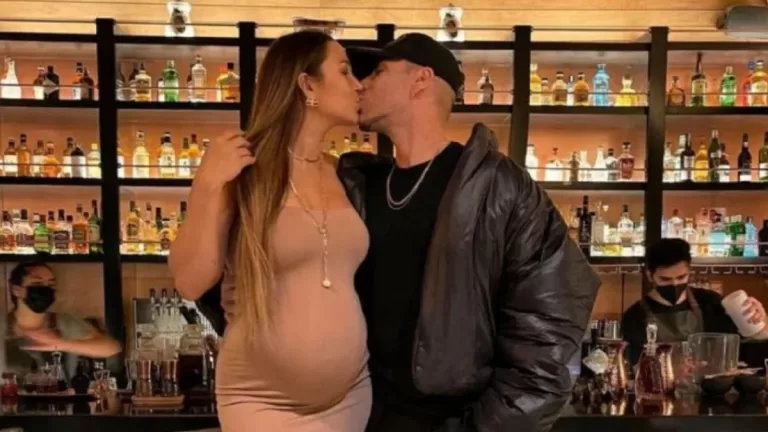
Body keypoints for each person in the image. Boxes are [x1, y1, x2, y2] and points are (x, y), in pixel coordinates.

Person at [200, 33, 600, 432]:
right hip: (359, 414)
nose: (360, 84)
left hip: (455, 421)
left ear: (420, 79)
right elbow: (250, 264)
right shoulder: (353, 182)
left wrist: (485, 428)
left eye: (376, 72)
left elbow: (550, 331)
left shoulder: (500, 187)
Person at [168, 30, 371, 431]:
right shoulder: (243, 169)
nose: (358, 84)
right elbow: (190, 281)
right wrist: (206, 186)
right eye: (345, 71)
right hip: (260, 399)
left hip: (348, 396)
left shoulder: (345, 174)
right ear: (307, 85)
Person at [622, 238, 768, 366]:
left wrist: (761, 326)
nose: (674, 284)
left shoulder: (711, 303)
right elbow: (638, 371)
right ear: (650, 275)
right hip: (663, 388)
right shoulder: (634, 317)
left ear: (690, 272)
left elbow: (750, 354)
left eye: (681, 277)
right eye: (665, 279)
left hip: (712, 388)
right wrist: (672, 372)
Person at [1, 260, 121, 380]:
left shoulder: (64, 322)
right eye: (37, 283)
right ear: (16, 290)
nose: (45, 289)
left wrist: (61, 344)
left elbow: (111, 347)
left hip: (62, 392)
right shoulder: (2, 325)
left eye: (51, 284)